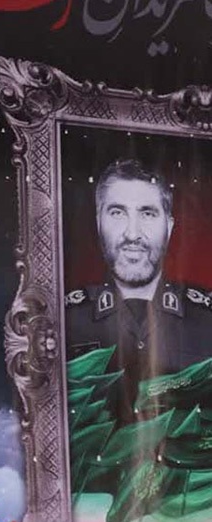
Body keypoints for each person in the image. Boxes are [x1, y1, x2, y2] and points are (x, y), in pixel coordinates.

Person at [65, 159, 212, 426]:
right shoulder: (63, 319)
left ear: (169, 227)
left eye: (147, 213)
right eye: (117, 212)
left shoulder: (207, 318)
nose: (132, 234)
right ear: (98, 222)